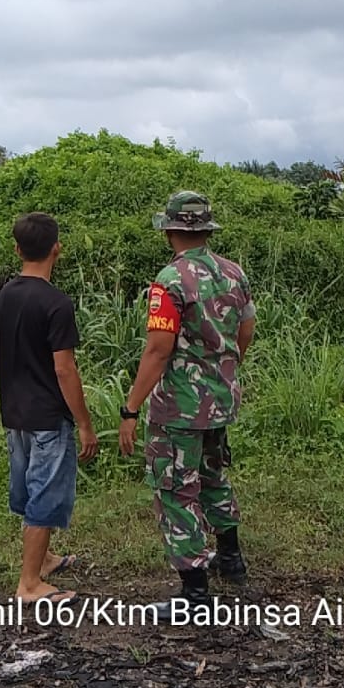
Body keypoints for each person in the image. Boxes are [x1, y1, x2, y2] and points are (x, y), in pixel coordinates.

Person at [118, 190, 256, 608]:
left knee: (177, 488)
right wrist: (223, 370)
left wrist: (130, 407)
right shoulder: (233, 273)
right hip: (220, 400)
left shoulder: (169, 281)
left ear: (171, 231)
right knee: (213, 476)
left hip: (179, 406)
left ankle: (195, 591)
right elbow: (246, 329)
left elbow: (159, 348)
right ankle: (231, 561)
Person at [0, 212, 100, 604]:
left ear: (17, 249)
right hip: (46, 414)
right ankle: (29, 584)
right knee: (44, 493)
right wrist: (85, 423)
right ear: (57, 247)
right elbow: (64, 367)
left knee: (27, 489)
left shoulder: (6, 295)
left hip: (15, 411)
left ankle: (45, 559)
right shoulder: (56, 303)